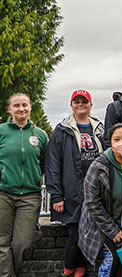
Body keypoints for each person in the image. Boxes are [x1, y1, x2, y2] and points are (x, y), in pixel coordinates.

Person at [45, 89, 105, 277]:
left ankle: (79, 273)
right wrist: (56, 195)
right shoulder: (62, 130)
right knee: (75, 235)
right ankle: (67, 272)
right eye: (77, 102)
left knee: (88, 236)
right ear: (71, 105)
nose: (81, 105)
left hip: (95, 192)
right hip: (71, 193)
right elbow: (52, 164)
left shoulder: (100, 129)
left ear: (90, 104)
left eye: (84, 101)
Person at [78, 123, 122, 276]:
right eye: (116, 139)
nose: (121, 143)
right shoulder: (99, 166)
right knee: (112, 258)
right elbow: (92, 202)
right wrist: (114, 231)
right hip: (102, 227)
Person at [0, 94, 48, 276]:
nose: (21, 109)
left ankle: (13, 268)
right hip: (3, 193)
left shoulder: (40, 135)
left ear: (30, 107)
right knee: (1, 242)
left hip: (30, 195)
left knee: (22, 244)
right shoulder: (1, 131)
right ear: (9, 109)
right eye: (16, 106)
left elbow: (45, 164)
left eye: (24, 105)